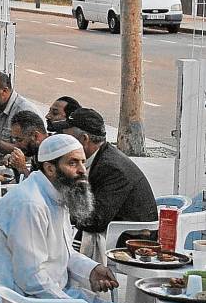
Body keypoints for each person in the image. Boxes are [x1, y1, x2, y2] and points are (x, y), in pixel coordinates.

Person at [0, 134, 138, 303]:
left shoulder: (59, 192)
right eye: (72, 163)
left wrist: (92, 270)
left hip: (55, 296)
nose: (82, 170)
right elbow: (30, 278)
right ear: (50, 168)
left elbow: (65, 253)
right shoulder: (30, 204)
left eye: (83, 162)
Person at [54, 108, 157, 260]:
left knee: (58, 249)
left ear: (84, 139)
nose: (62, 140)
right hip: (113, 228)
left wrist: (61, 208)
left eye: (67, 137)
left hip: (131, 240)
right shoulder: (100, 157)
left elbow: (95, 220)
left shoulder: (111, 168)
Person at [3, 110, 48, 178]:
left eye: (20, 140)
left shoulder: (53, 152)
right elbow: (23, 182)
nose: (17, 145)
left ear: (35, 136)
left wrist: (22, 168)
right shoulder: (36, 150)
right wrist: (15, 165)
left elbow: (40, 187)